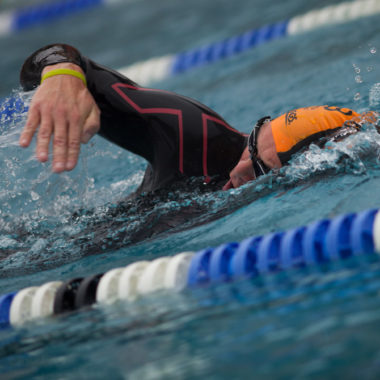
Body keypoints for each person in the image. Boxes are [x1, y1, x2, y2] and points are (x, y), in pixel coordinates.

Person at [19, 44, 378, 197]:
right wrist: (61, 73)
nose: (238, 174)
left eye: (260, 170)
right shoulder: (197, 135)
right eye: (252, 144)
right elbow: (58, 60)